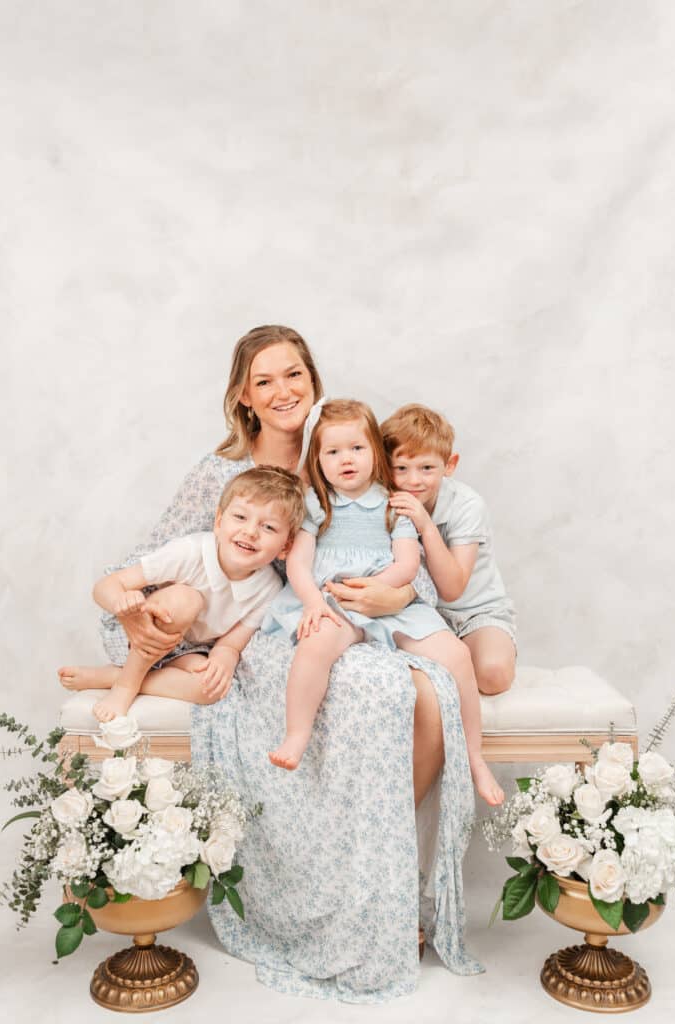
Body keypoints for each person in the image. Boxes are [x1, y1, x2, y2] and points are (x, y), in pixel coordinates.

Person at [95, 325, 482, 1001]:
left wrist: (394, 594)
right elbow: (165, 562)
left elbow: (391, 548)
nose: (283, 391)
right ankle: (323, 882)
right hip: (258, 632)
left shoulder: (343, 449)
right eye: (264, 380)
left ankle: (369, 886)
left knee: (421, 693)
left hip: (343, 617)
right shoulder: (220, 473)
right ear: (243, 396)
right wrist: (190, 635)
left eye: (294, 374)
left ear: (313, 378)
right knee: (366, 689)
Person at [262, 399, 504, 806]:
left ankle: (476, 757)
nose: (346, 460)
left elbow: (408, 563)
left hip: (386, 598)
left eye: (356, 448)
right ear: (317, 460)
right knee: (314, 647)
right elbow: (299, 564)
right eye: (332, 452)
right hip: (331, 597)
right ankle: (297, 734)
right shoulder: (315, 503)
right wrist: (314, 601)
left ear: (375, 450)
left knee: (458, 656)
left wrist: (374, 588)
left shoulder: (394, 502)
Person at [58, 467, 305, 721]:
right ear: (219, 523)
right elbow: (105, 585)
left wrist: (224, 659)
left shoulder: (269, 588)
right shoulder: (191, 551)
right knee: (186, 601)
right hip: (140, 633)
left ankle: (110, 677)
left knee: (210, 688)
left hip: (187, 652)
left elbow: (231, 642)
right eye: (240, 517)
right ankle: (125, 686)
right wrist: (122, 602)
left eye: (268, 527)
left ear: (285, 546)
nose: (251, 531)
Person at [383, 403, 517, 696]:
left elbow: (453, 588)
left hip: (476, 613)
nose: (414, 480)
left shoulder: (467, 505)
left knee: (493, 675)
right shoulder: (384, 502)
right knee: (407, 682)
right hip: (417, 613)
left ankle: (478, 651)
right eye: (401, 468)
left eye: (427, 468)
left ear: (450, 465)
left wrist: (425, 525)